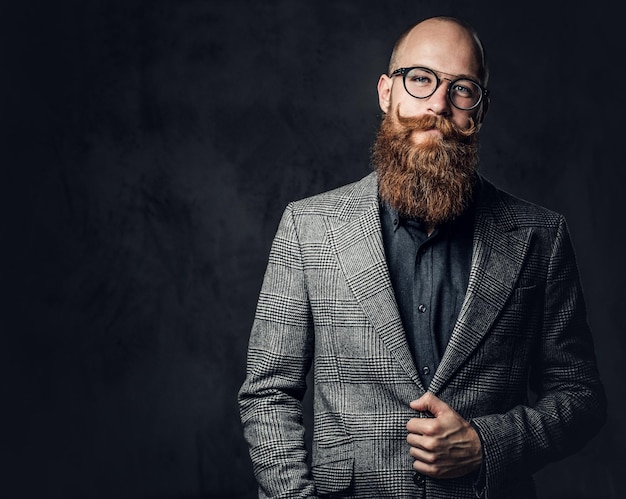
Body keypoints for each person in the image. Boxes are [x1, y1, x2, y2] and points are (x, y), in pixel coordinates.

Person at [238, 15, 606, 498]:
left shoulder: (541, 236)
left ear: (480, 110)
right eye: (420, 79)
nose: (437, 104)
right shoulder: (309, 227)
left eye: (462, 88)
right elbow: (268, 394)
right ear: (386, 92)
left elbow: (580, 398)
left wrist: (484, 444)